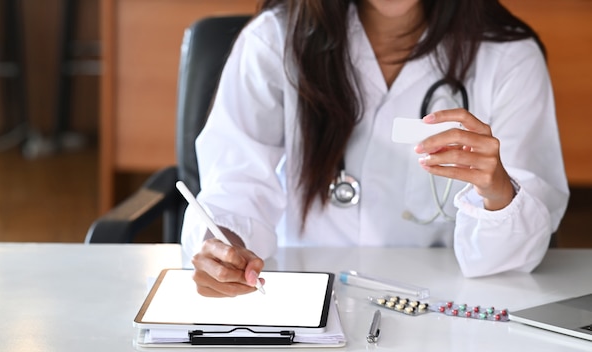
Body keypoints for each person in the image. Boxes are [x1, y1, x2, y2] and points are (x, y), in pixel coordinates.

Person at [181, 0, 570, 297]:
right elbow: (236, 182)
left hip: (443, 304)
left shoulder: (510, 57)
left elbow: (513, 261)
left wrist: (498, 191)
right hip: (300, 292)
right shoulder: (273, 40)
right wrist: (225, 248)